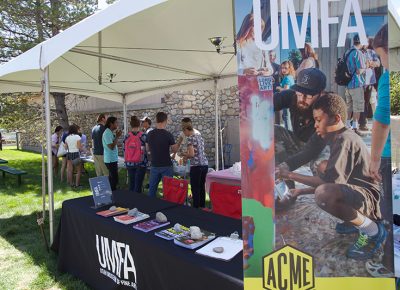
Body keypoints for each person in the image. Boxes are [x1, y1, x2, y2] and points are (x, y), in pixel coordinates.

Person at [278, 93, 386, 261]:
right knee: (323, 167)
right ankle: (355, 221)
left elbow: (328, 185)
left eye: (319, 120)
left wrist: (290, 174)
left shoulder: (345, 140)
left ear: (336, 119)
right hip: (358, 193)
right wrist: (299, 191)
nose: (315, 125)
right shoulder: (337, 137)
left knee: (324, 195)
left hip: (371, 200)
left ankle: (373, 231)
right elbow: (331, 178)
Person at [365, 23, 394, 277]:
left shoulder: (390, 77)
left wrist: (373, 161)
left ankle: (388, 266)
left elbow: (382, 119)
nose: (379, 60)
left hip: (389, 156)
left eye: (379, 54)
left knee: (387, 212)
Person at [273, 68, 327, 174]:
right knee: (273, 131)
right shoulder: (292, 96)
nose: (302, 99)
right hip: (298, 142)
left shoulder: (328, 107)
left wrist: (288, 165)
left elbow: (313, 149)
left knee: (323, 167)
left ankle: (322, 188)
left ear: (320, 93)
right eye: (299, 94)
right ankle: (286, 188)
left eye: (308, 96)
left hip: (321, 148)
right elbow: (265, 103)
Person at [146, 112, 179, 198]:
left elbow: (147, 149)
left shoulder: (150, 134)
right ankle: (167, 210)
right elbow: (174, 149)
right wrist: (178, 142)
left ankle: (149, 209)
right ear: (165, 121)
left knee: (152, 190)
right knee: (168, 191)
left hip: (154, 164)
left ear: (156, 120)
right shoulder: (168, 134)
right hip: (166, 165)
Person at [181, 123, 208, 208]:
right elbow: (197, 152)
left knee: (195, 187)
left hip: (196, 166)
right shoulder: (199, 137)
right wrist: (186, 154)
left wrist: (185, 156)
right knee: (201, 187)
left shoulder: (190, 138)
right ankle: (202, 205)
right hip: (204, 165)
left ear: (186, 130)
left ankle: (196, 207)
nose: (184, 135)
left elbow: (192, 154)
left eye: (184, 133)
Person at [345, 34, 367, 135]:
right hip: (356, 84)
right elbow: (359, 71)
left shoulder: (347, 52)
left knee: (349, 106)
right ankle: (354, 128)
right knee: (357, 107)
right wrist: (366, 66)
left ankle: (347, 126)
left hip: (347, 84)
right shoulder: (358, 53)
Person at [359, 38, 381, 131]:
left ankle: (376, 123)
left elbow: (378, 63)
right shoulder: (357, 53)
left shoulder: (371, 52)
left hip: (370, 81)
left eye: (366, 42)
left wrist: (370, 63)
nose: (364, 44)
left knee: (371, 102)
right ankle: (362, 123)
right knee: (361, 103)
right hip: (359, 82)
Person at [124, 116, 147, 193]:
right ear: (139, 125)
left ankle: (130, 201)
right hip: (140, 163)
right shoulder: (143, 136)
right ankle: (137, 202)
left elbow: (124, 149)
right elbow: (146, 150)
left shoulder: (127, 136)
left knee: (132, 183)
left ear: (131, 125)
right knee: (138, 185)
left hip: (129, 163)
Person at [102, 116, 122, 191]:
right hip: (110, 160)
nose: (117, 124)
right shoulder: (107, 133)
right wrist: (117, 136)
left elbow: (113, 144)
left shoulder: (110, 132)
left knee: (113, 178)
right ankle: (113, 194)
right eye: (116, 122)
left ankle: (112, 193)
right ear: (111, 123)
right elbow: (111, 147)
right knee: (114, 179)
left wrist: (117, 139)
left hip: (112, 159)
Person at [276, 60, 296, 131]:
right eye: (282, 68)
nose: (283, 70)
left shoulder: (287, 78)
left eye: (286, 68)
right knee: (287, 118)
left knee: (287, 118)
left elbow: (286, 90)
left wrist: (278, 88)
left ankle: (289, 138)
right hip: (290, 101)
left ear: (290, 68)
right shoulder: (289, 77)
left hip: (287, 102)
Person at [64, 124, 82, 188]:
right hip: (76, 153)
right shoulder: (77, 137)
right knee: (79, 170)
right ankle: (77, 185)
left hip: (69, 154)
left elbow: (65, 148)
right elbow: (79, 147)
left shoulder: (67, 137)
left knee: (70, 170)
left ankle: (71, 184)